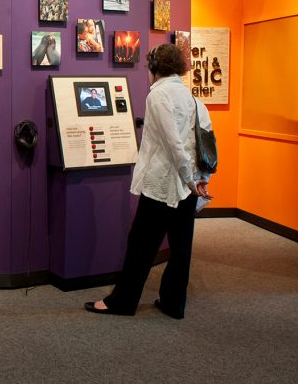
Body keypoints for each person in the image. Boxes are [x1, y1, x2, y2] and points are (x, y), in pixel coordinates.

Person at [85, 44, 212, 319]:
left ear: (154, 67)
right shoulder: (192, 99)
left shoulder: (159, 96)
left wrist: (189, 180)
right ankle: (174, 303)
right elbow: (204, 142)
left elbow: (174, 144)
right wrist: (199, 180)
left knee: (140, 245)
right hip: (186, 188)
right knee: (181, 248)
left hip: (163, 185)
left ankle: (122, 302)